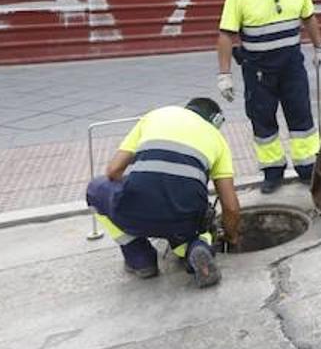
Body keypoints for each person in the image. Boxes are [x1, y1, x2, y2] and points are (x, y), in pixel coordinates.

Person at [86, 98, 241, 288]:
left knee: (95, 189)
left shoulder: (156, 116)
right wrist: (231, 237)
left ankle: (141, 259)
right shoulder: (218, 140)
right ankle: (198, 247)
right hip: (184, 218)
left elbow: (113, 171)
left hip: (134, 211)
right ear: (215, 121)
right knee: (200, 221)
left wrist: (141, 184)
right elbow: (231, 207)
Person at [217, 0, 321, 194]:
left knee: (301, 116)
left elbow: (309, 17)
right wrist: (224, 75)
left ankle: (308, 167)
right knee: (263, 121)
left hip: (291, 65)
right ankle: (273, 171)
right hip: (258, 70)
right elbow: (225, 35)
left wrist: (319, 47)